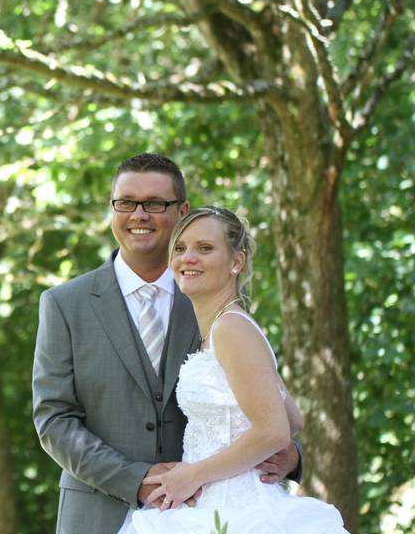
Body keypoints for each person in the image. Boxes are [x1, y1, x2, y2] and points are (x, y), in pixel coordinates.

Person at [32, 153, 300, 534]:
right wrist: (135, 479)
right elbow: (54, 419)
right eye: (126, 203)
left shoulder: (214, 299)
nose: (139, 214)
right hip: (97, 514)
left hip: (207, 510)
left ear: (182, 210)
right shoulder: (64, 304)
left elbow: (264, 404)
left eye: (155, 203)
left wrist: (290, 456)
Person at [116, 206, 347, 533]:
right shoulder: (226, 327)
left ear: (236, 262)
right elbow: (292, 418)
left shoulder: (231, 329)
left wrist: (192, 474)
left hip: (236, 510)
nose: (188, 258)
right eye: (180, 249)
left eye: (205, 248)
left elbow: (275, 431)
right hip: (213, 502)